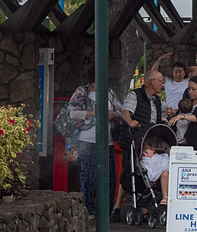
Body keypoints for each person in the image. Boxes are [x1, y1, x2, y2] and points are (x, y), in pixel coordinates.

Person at [66, 65, 122, 220]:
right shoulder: (82, 92)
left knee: (110, 178)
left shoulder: (110, 93)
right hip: (87, 140)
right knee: (87, 177)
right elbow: (72, 113)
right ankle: (89, 210)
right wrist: (94, 113)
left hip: (107, 141)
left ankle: (106, 210)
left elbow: (121, 110)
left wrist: (114, 114)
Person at [113, 70, 166, 218]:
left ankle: (142, 206)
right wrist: (130, 122)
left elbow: (161, 118)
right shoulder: (135, 95)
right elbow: (125, 111)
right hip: (133, 139)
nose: (162, 85)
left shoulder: (157, 100)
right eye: (160, 81)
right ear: (152, 81)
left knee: (146, 172)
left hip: (147, 141)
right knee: (129, 171)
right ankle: (118, 206)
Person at [168, 76, 197, 149]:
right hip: (179, 143)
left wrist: (181, 117)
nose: (190, 92)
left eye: (194, 89)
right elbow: (177, 118)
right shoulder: (187, 103)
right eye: (189, 89)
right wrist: (172, 116)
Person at [150, 52, 189, 118]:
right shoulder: (167, 81)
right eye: (176, 72)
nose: (178, 74)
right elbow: (151, 75)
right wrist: (159, 60)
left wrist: (188, 68)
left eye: (180, 71)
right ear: (172, 72)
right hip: (168, 113)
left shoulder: (188, 81)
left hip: (183, 114)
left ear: (184, 72)